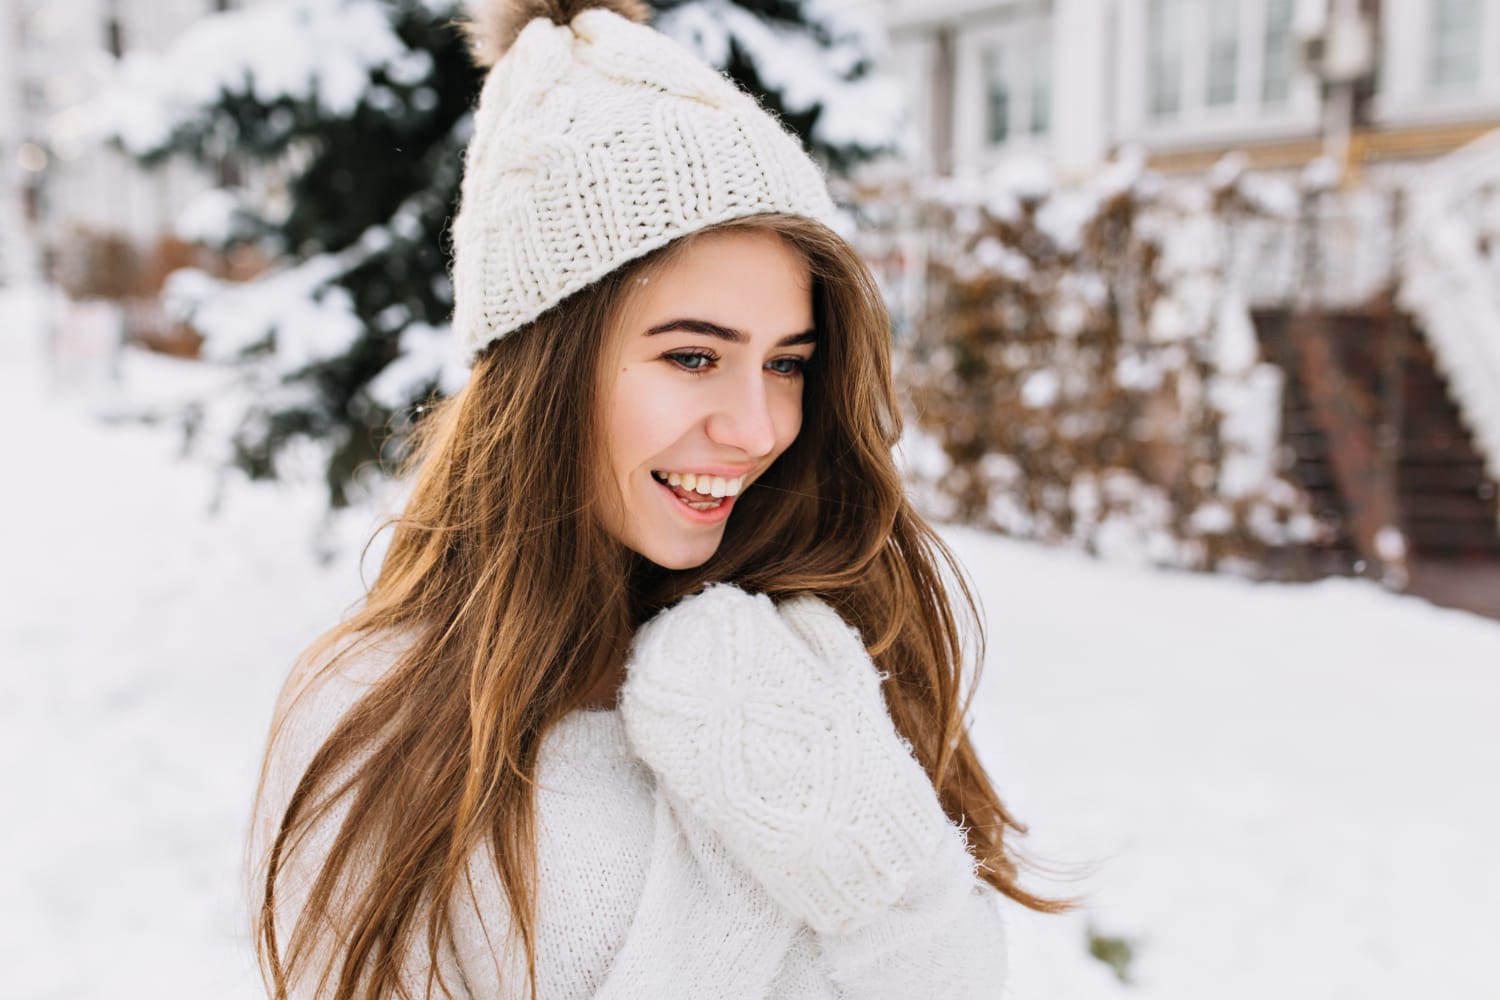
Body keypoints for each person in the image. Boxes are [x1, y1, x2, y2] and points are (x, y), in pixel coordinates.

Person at [249, 0, 1065, 996]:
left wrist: (872, 857)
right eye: (693, 354)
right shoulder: (374, 725)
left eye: (788, 363)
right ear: (547, 366)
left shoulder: (820, 660)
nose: (759, 426)